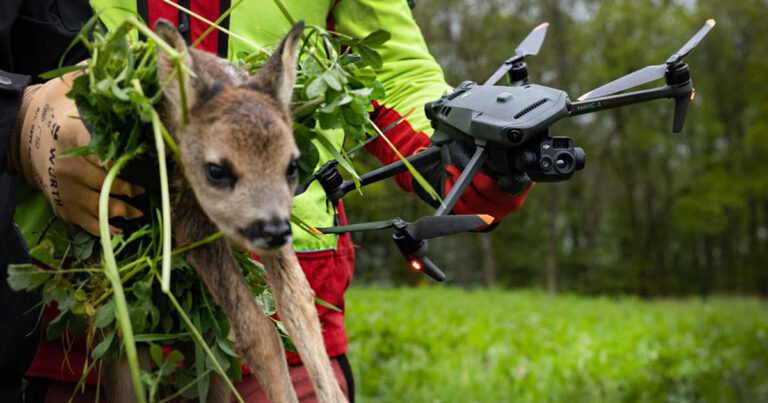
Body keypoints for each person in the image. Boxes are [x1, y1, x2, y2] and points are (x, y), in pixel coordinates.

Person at [0, 1, 533, 401]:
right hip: (75, 307)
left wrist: (468, 146)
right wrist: (13, 123)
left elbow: (388, 69)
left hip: (292, 316)